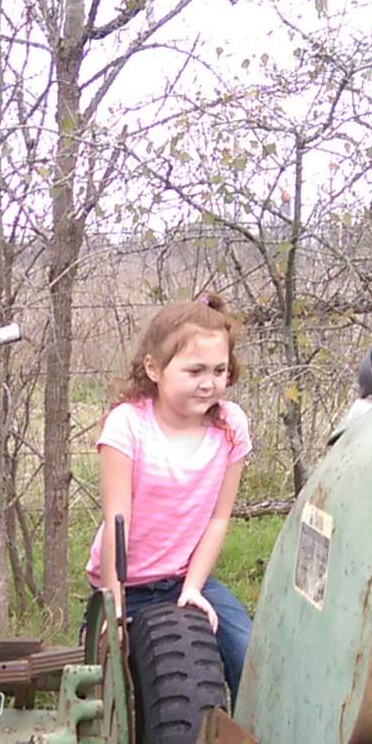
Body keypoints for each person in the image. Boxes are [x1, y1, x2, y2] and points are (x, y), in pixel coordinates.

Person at [88, 294, 252, 701]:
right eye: (195, 370)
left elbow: (218, 518)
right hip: (126, 582)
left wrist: (193, 587)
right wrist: (114, 606)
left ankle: (251, 737)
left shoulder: (231, 425)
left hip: (184, 577)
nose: (209, 383)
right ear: (154, 369)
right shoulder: (128, 424)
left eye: (219, 370)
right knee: (111, 684)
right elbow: (117, 523)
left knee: (249, 653)